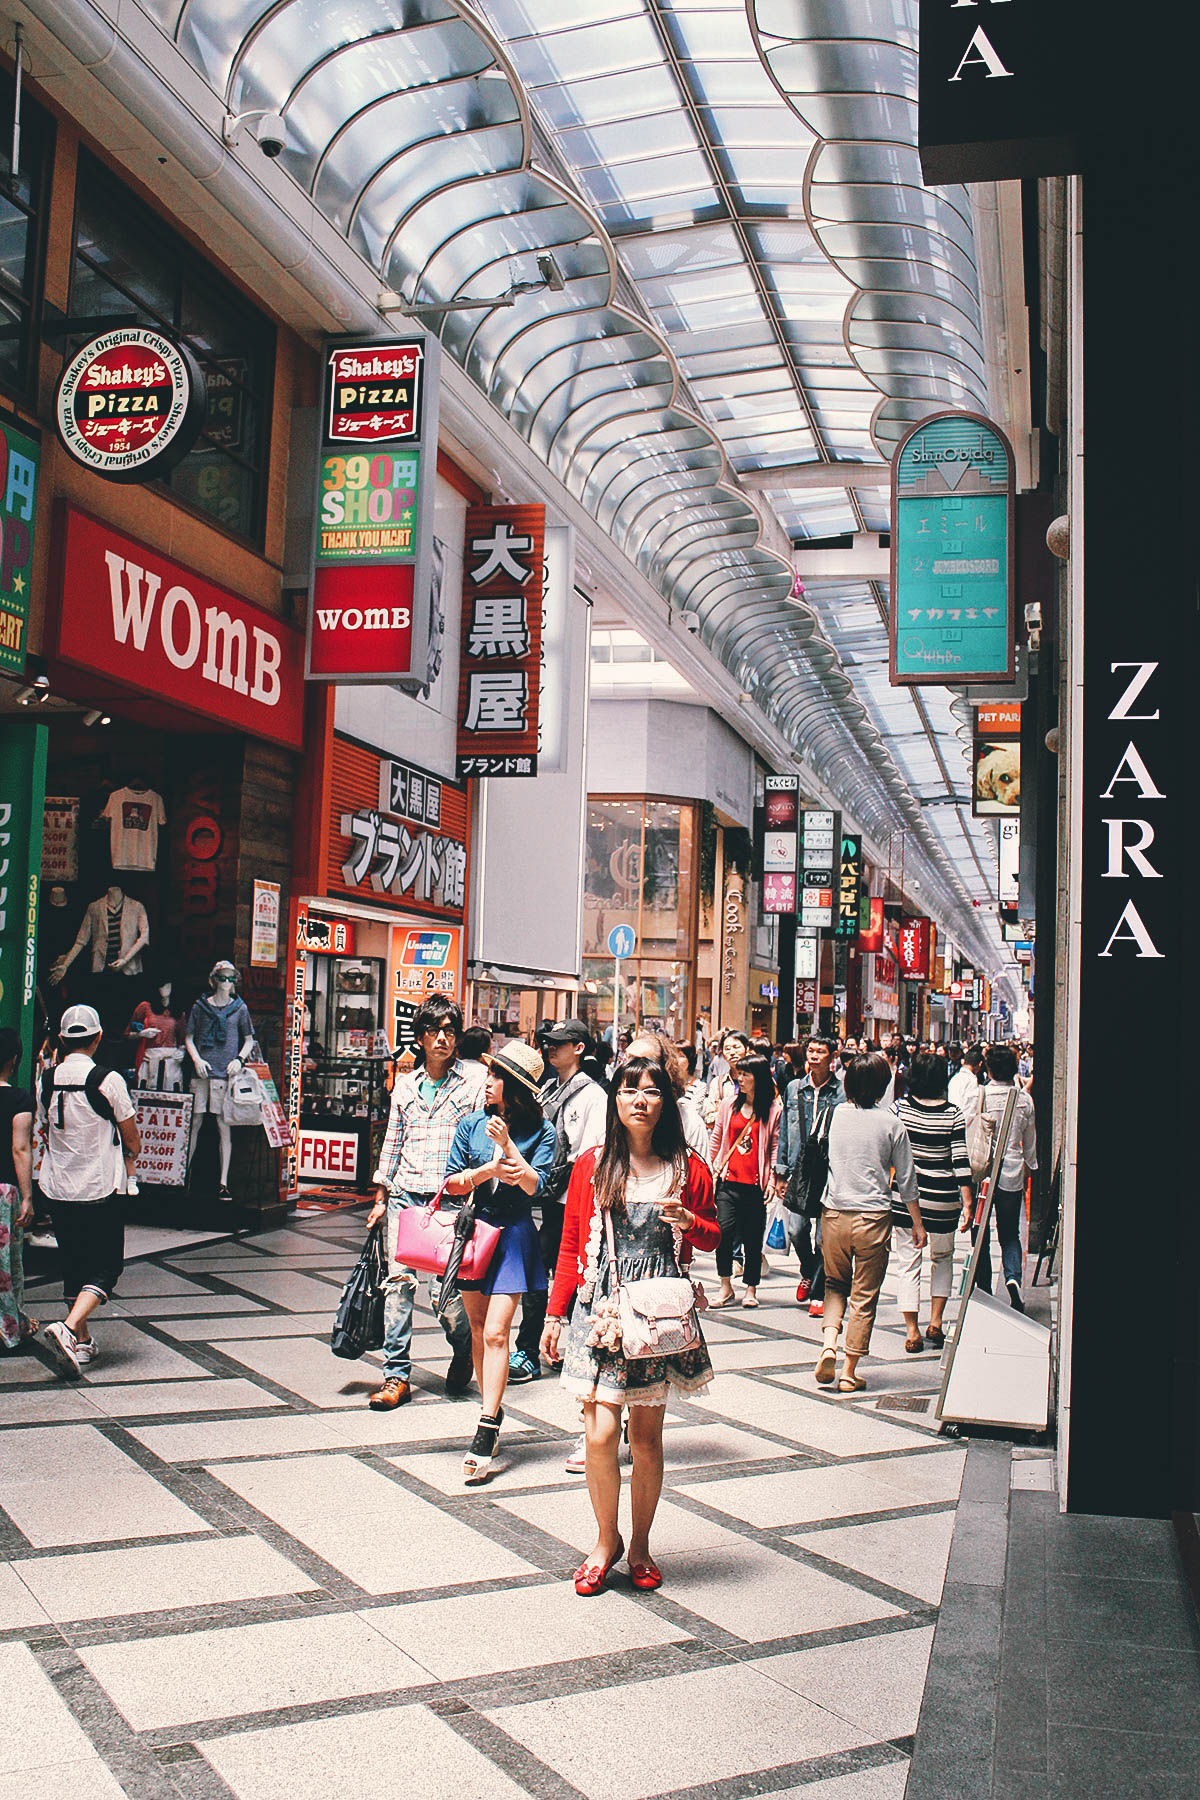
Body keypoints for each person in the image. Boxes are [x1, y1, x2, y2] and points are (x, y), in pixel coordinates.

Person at [541, 1059, 719, 1594]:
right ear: (615, 1100)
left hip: (657, 1314)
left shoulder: (688, 1167)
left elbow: (712, 1237)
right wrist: (553, 1315)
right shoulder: (592, 1166)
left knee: (645, 1437)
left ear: (666, 1101)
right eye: (628, 1090)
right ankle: (605, 1539)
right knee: (598, 1435)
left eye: (651, 1091)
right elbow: (572, 1245)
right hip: (601, 1309)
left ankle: (639, 1545)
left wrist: (691, 1223)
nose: (639, 1099)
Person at [442, 1042, 555, 1483]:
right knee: (475, 1328)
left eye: (494, 1077)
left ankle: (486, 1425)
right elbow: (450, 1183)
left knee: (495, 1333)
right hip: (475, 1233)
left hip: (513, 1236)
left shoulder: (541, 1131)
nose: (486, 1082)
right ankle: (493, 1400)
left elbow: (536, 1187)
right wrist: (486, 1171)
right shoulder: (469, 1125)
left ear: (513, 1087)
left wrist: (509, 1147)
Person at [366, 996, 485, 1409]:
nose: (442, 1039)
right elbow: (392, 1143)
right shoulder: (405, 1085)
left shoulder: (471, 1085)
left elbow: (477, 1144)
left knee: (443, 1293)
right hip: (404, 1197)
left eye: (450, 1032)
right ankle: (395, 1376)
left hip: (448, 1201)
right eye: (434, 1031)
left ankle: (463, 1345)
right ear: (420, 1037)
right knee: (398, 1287)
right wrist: (381, 1196)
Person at [37, 1005, 140, 1377]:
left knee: (74, 1264)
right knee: (106, 1268)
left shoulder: (46, 1079)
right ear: (97, 1038)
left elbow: (44, 1128)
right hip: (98, 1188)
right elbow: (132, 1138)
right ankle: (67, 1328)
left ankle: (81, 1343)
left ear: (63, 1040)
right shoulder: (107, 1079)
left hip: (58, 1187)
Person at [816, 1051, 923, 1393]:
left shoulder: (833, 1115)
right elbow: (906, 1180)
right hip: (873, 1218)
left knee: (835, 1285)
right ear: (883, 1086)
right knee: (864, 1295)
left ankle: (829, 1342)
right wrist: (917, 1224)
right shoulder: (892, 1124)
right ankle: (848, 1370)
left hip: (833, 1213)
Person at [510, 1020, 606, 1384]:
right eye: (548, 1042)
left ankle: (546, 1348)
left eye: (559, 1043)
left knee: (572, 1276)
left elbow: (592, 1156)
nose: (550, 1048)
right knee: (538, 1273)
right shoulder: (549, 1088)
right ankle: (532, 1348)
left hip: (573, 1202)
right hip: (548, 1197)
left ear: (579, 1048)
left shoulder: (594, 1096)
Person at [893, 1053, 973, 1351]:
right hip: (943, 1200)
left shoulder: (899, 1110)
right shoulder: (952, 1114)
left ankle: (912, 1330)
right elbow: (960, 1160)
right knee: (942, 1259)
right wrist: (967, 1203)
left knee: (907, 1263)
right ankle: (936, 1322)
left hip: (905, 1199)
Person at [775, 1034, 843, 1313]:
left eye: (820, 1052)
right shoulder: (794, 1088)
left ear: (832, 1057)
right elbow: (785, 1133)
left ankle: (819, 1290)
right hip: (799, 1170)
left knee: (822, 1237)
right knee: (797, 1230)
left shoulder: (840, 1092)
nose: (814, 1056)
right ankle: (809, 1270)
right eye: (811, 1051)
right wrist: (780, 1171)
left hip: (829, 1169)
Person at [710, 1053, 780, 1307]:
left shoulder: (773, 1110)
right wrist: (710, 1166)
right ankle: (725, 1285)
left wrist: (771, 1180)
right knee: (723, 1232)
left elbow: (774, 1146)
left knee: (752, 1238)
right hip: (728, 1181)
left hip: (755, 1184)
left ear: (759, 1077)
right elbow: (717, 1136)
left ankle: (751, 1289)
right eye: (740, 1073)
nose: (741, 1078)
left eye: (747, 1074)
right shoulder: (730, 1104)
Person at [974, 1042, 1037, 1309]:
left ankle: (984, 1288)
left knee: (981, 1234)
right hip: (1011, 1173)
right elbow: (1030, 1141)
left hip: (983, 1178)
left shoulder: (980, 1096)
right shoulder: (1024, 1099)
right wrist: (1031, 1165)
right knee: (1010, 1233)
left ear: (988, 1068)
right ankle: (1012, 1277)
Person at [0, 1028, 35, 1351]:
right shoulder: (19, 1098)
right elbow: (20, 1149)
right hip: (4, 1192)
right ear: (13, 1060)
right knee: (7, 1263)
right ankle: (9, 1325)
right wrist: (27, 1196)